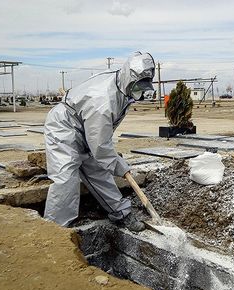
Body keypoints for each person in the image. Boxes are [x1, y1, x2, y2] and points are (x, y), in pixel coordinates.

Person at [43, 52, 156, 231]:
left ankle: (121, 213)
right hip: (64, 128)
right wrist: (119, 166)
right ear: (129, 79)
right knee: (66, 179)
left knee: (98, 171)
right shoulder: (103, 101)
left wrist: (108, 159)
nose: (139, 93)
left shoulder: (121, 87)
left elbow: (100, 141)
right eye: (137, 87)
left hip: (84, 125)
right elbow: (101, 146)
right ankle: (56, 230)